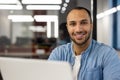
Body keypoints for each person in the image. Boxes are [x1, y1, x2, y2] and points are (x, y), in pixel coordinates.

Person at [48, 6, 120, 80]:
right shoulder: (58, 54)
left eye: (83, 23)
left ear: (91, 25)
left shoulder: (107, 54)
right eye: (73, 24)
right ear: (68, 28)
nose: (78, 29)